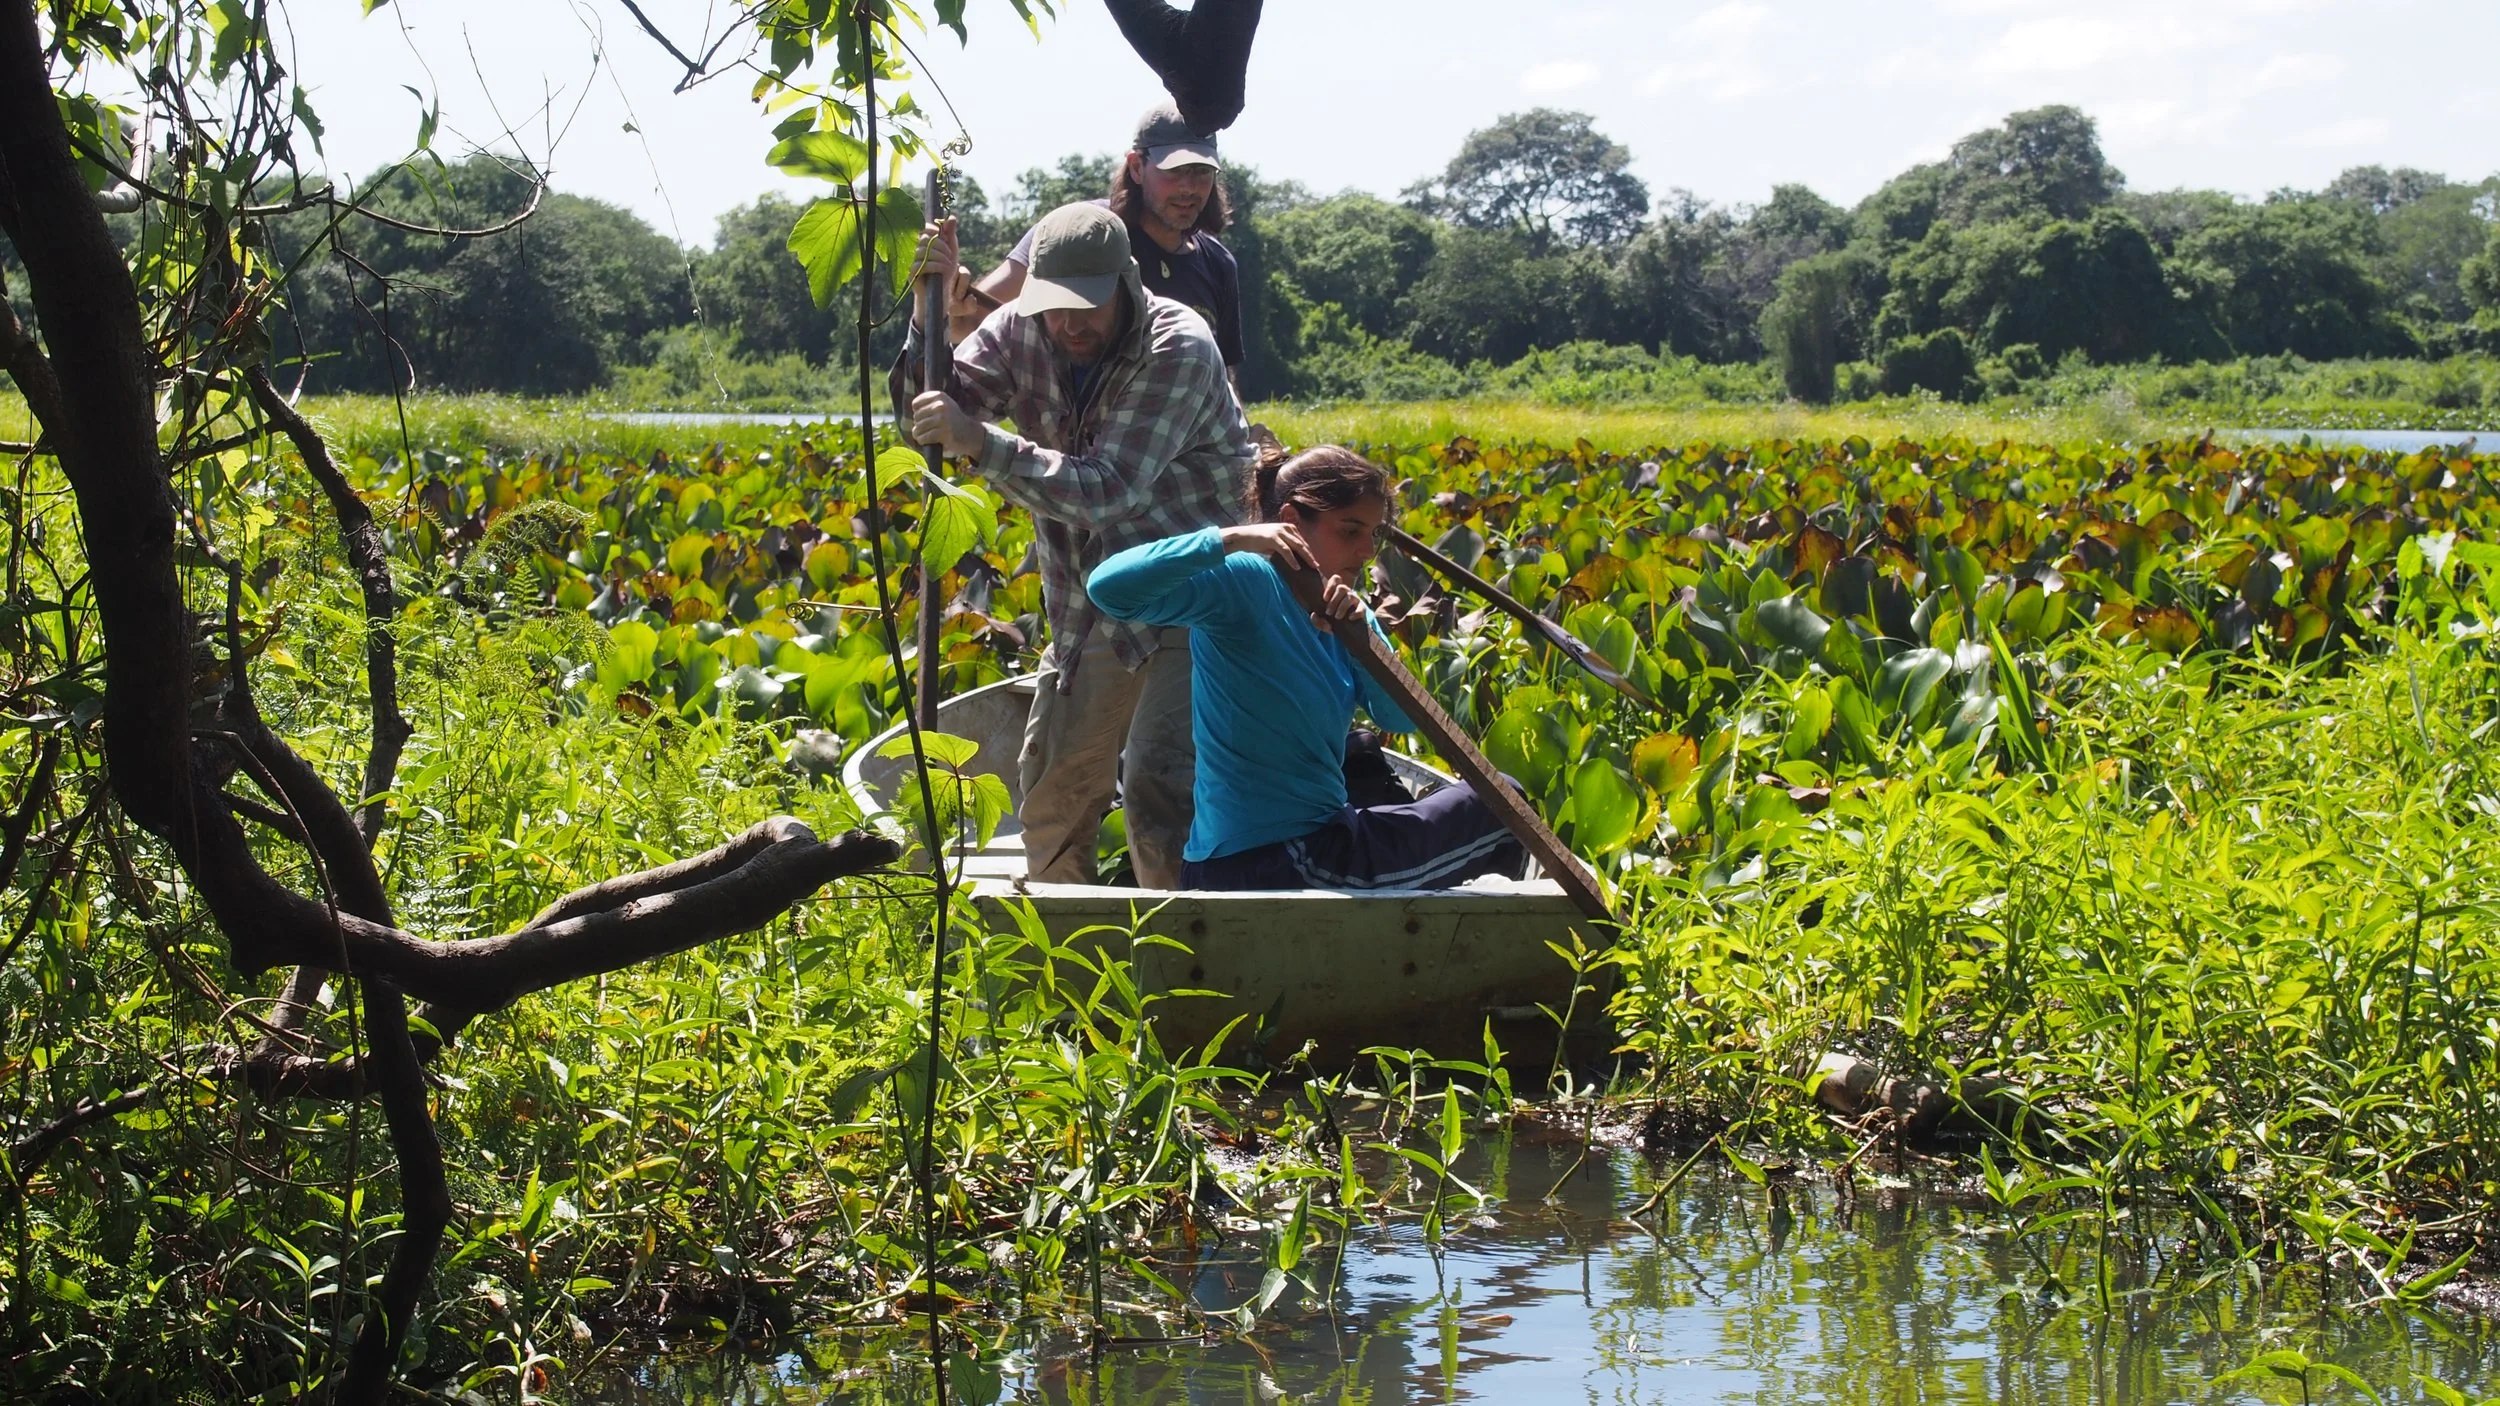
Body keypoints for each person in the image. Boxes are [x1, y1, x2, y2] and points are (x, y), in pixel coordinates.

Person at [900, 202, 1253, 891]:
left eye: (1086, 307)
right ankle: (1066, 971)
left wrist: (984, 444)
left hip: (1196, 595)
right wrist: (927, 317)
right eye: (1053, 306)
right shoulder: (1019, 329)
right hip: (1092, 599)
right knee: (1054, 793)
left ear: (1127, 282)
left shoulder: (1178, 345)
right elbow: (931, 410)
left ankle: (1181, 976)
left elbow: (1108, 490)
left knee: (1160, 790)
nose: (1068, 324)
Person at [1085, 447, 1526, 892]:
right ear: (1291, 523)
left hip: (1309, 845)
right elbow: (1110, 590)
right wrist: (1230, 538)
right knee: (1504, 810)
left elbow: (1398, 717)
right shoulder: (1245, 579)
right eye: (1351, 530)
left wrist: (1362, 642)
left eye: (1374, 534)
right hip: (1280, 861)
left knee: (1475, 789)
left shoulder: (1350, 613)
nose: (1368, 550)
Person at [950, 102, 1245, 392]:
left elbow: (1223, 375)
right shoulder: (1079, 233)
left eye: (1201, 172)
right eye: (1174, 171)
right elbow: (966, 322)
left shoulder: (1218, 264)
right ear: (1137, 167)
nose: (1188, 188)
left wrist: (1243, 430)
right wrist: (947, 299)